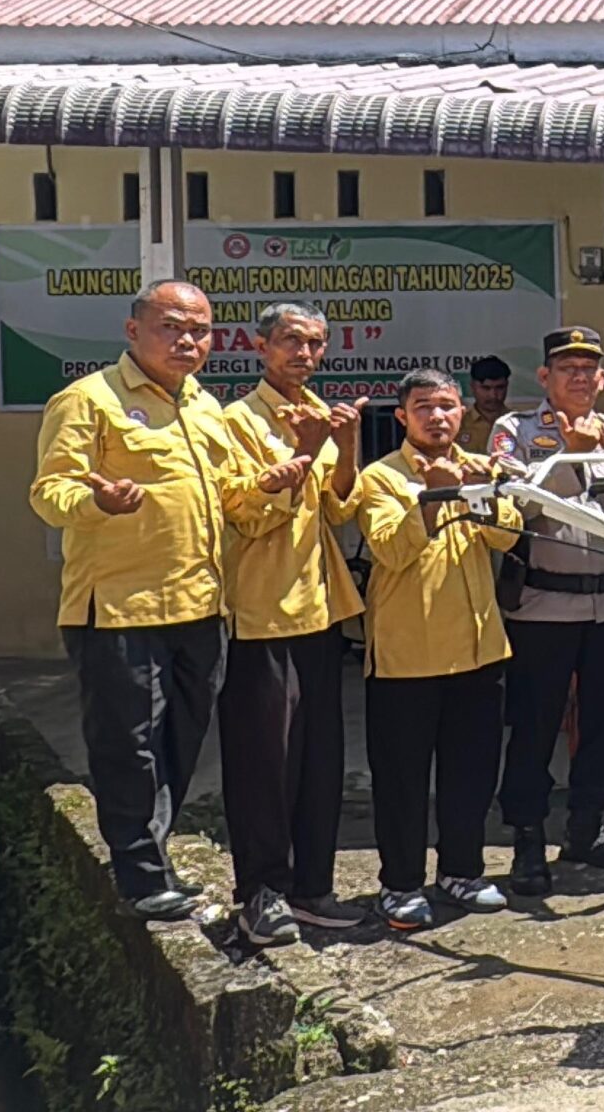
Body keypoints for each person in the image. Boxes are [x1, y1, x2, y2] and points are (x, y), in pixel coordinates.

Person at [28, 280, 299, 921]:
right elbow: (49, 492)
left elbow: (232, 501)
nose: (187, 340)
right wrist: (99, 502)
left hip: (200, 605)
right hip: (119, 608)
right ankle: (142, 879)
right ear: (133, 330)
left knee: (182, 740)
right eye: (171, 326)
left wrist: (271, 484)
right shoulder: (89, 400)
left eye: (199, 330)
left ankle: (155, 855)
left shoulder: (205, 407)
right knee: (130, 745)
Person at [218, 303, 373, 942]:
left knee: (320, 760)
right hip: (260, 612)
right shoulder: (235, 421)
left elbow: (340, 510)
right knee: (263, 762)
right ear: (260, 346)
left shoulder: (319, 412)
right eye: (290, 342)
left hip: (319, 606)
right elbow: (246, 514)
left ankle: (313, 886)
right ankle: (261, 892)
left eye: (314, 344)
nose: (303, 354)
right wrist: (305, 454)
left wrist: (345, 445)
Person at [358, 368, 526, 932]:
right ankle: (399, 884)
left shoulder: (475, 467)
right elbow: (389, 549)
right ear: (402, 416)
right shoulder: (382, 477)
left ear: (462, 413)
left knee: (472, 772)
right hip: (408, 655)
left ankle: (462, 869)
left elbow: (508, 535)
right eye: (424, 406)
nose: (438, 417)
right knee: (404, 779)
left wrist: (486, 488)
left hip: (477, 647)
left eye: (448, 406)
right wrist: (435, 494)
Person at [488, 326, 604, 894]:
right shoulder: (515, 430)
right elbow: (514, 507)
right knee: (534, 726)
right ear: (546, 377)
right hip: (543, 605)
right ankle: (527, 839)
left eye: (589, 369)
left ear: (602, 378)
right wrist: (571, 457)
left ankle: (588, 825)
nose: (579, 378)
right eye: (567, 368)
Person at [455, 355, 514, 455]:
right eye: (486, 388)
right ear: (473, 387)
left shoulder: (517, 423)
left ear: (507, 386)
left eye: (500, 387)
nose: (493, 395)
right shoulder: (459, 424)